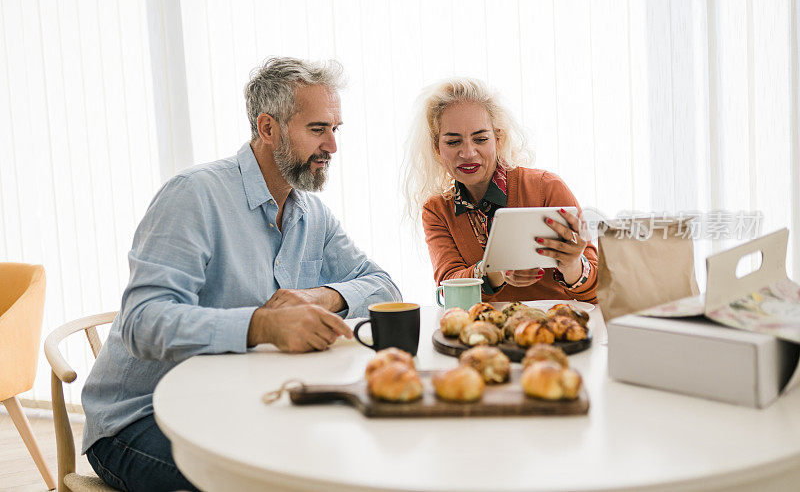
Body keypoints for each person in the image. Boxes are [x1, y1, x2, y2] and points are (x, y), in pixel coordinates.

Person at [82, 57, 402, 491]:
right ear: (267, 128)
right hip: (140, 418)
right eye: (317, 129)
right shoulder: (194, 195)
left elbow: (384, 285)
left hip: (232, 404)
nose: (332, 146)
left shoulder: (312, 213)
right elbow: (144, 322)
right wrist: (263, 324)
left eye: (335, 129)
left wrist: (321, 296)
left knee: (342, 462)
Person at [403, 77, 597, 303]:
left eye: (481, 139)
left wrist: (573, 265)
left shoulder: (546, 188)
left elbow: (600, 290)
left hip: (556, 329)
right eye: (453, 142)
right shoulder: (437, 210)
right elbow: (449, 291)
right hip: (486, 332)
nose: (468, 153)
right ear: (436, 148)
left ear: (498, 139)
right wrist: (497, 270)